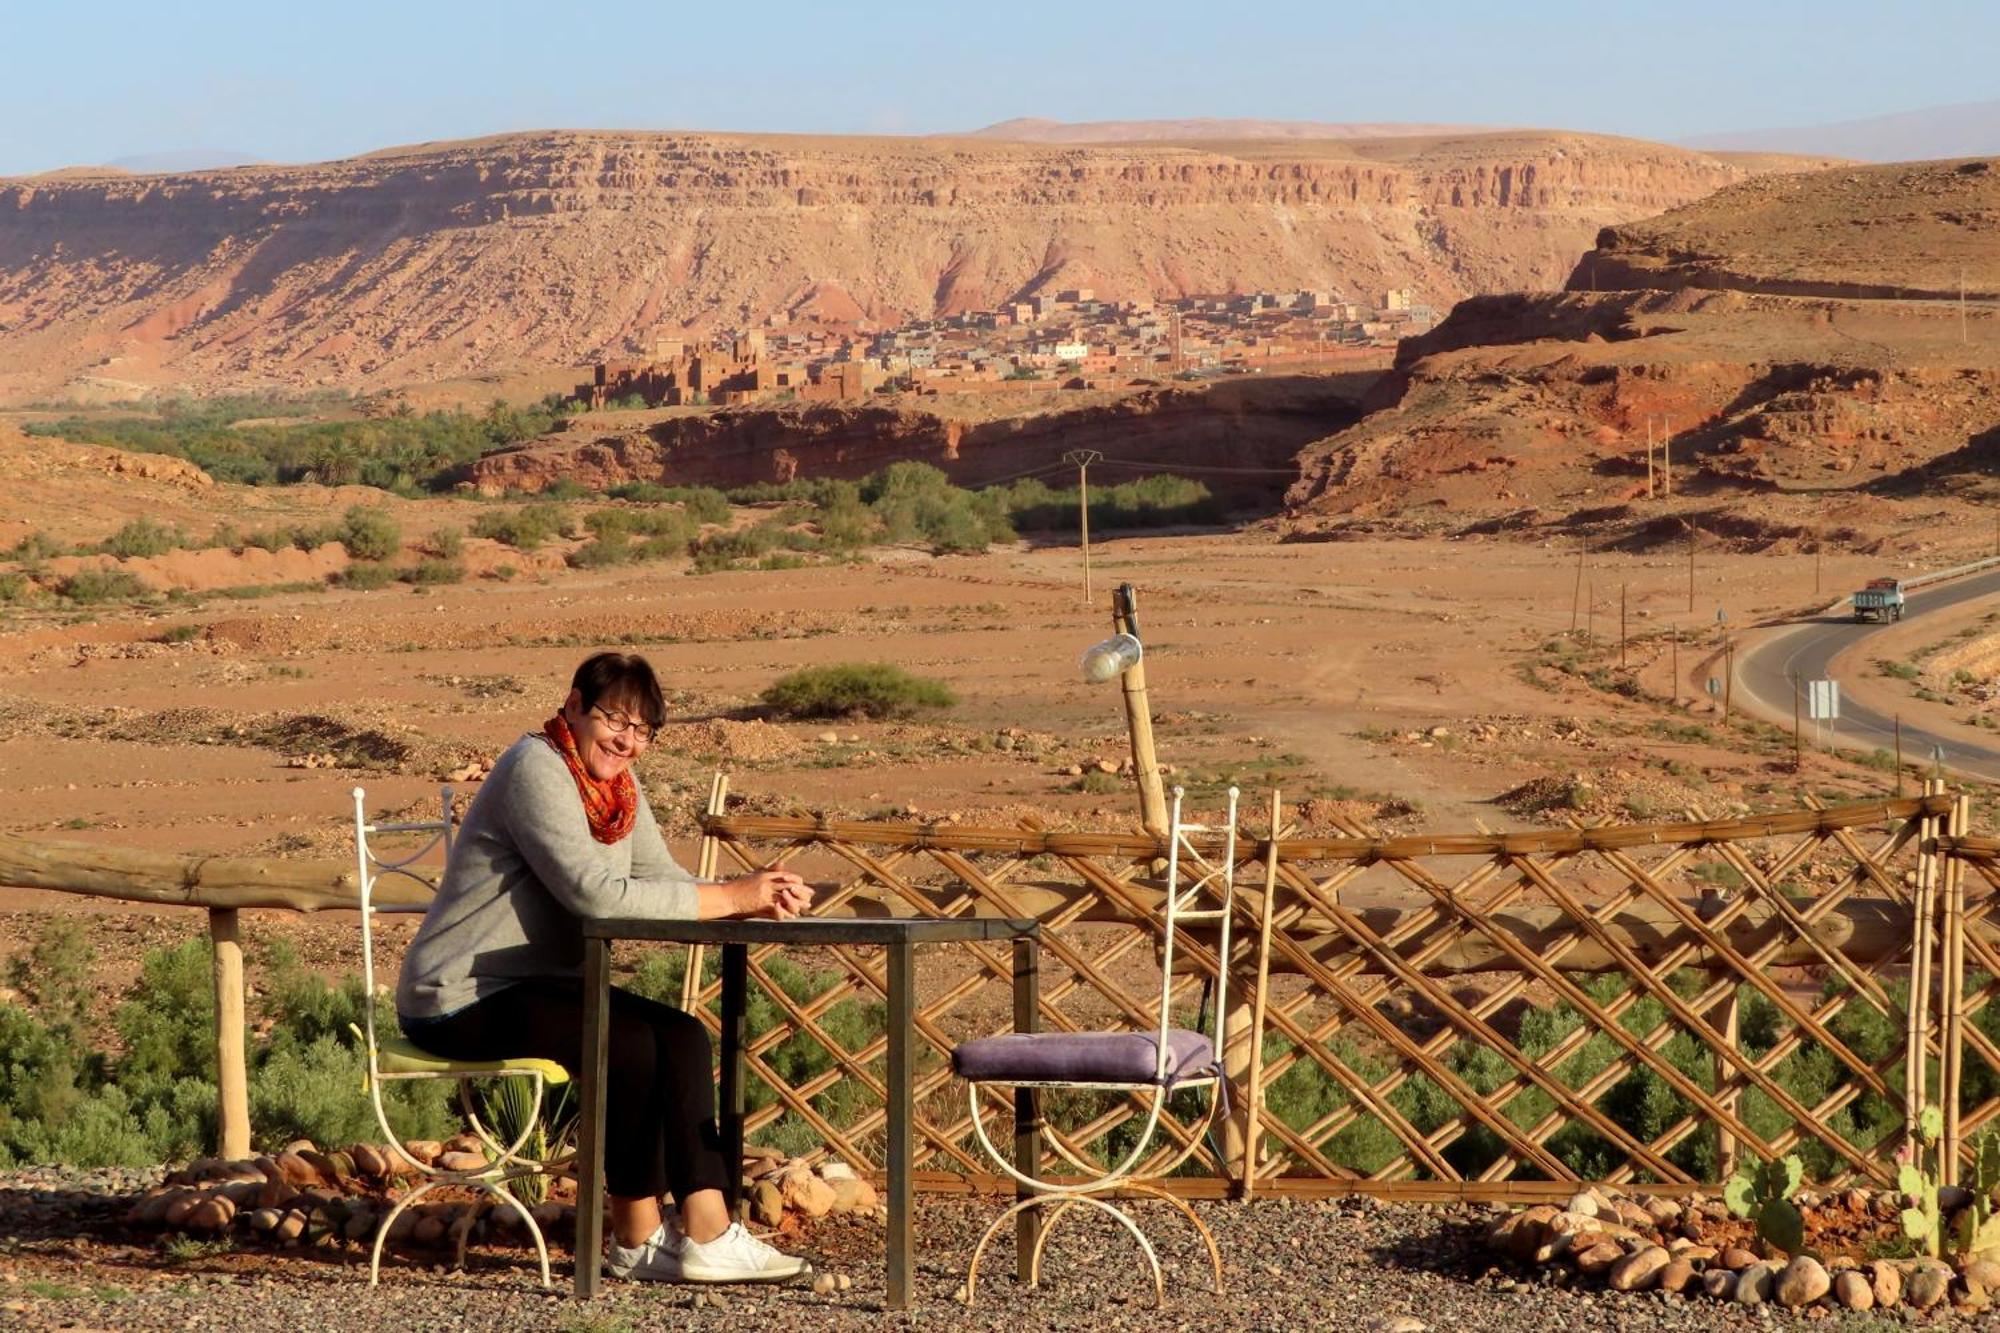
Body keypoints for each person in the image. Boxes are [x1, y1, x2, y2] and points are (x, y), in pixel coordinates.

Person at [396, 651, 814, 1284]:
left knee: (677, 1035)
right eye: (613, 718)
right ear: (571, 707)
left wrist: (751, 897)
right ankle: (705, 1234)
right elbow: (594, 895)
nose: (626, 738)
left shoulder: (616, 787)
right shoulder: (535, 768)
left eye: (642, 729)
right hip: (459, 996)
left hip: (540, 985)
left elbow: (659, 880)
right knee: (630, 1044)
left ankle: (642, 1241)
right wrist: (731, 898)